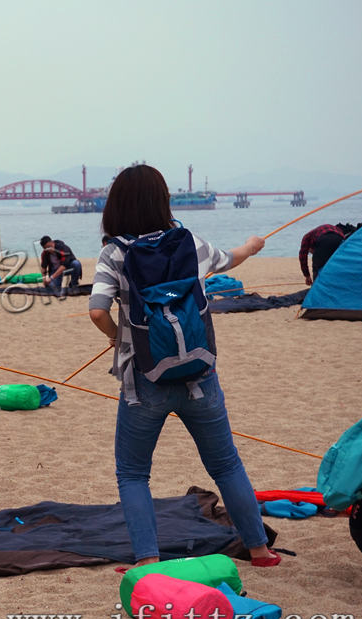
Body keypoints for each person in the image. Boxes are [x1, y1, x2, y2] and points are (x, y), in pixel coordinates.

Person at [87, 164, 280, 569]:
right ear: (162, 201)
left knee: (134, 473)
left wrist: (114, 337)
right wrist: (253, 244)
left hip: (144, 379)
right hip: (199, 372)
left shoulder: (114, 253)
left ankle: (147, 560)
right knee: (226, 463)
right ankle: (260, 550)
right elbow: (231, 260)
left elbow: (96, 311)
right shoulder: (189, 242)